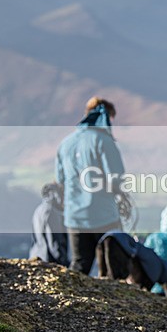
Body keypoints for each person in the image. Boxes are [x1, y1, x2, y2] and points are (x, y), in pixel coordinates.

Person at [55, 97, 125, 275]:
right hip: (104, 216)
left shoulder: (65, 144)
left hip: (75, 217)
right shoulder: (104, 141)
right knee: (113, 268)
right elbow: (116, 178)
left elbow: (60, 180)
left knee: (79, 266)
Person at [29, 182, 70, 266]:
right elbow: (54, 241)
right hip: (49, 261)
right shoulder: (51, 212)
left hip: (37, 256)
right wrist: (63, 262)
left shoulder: (39, 209)